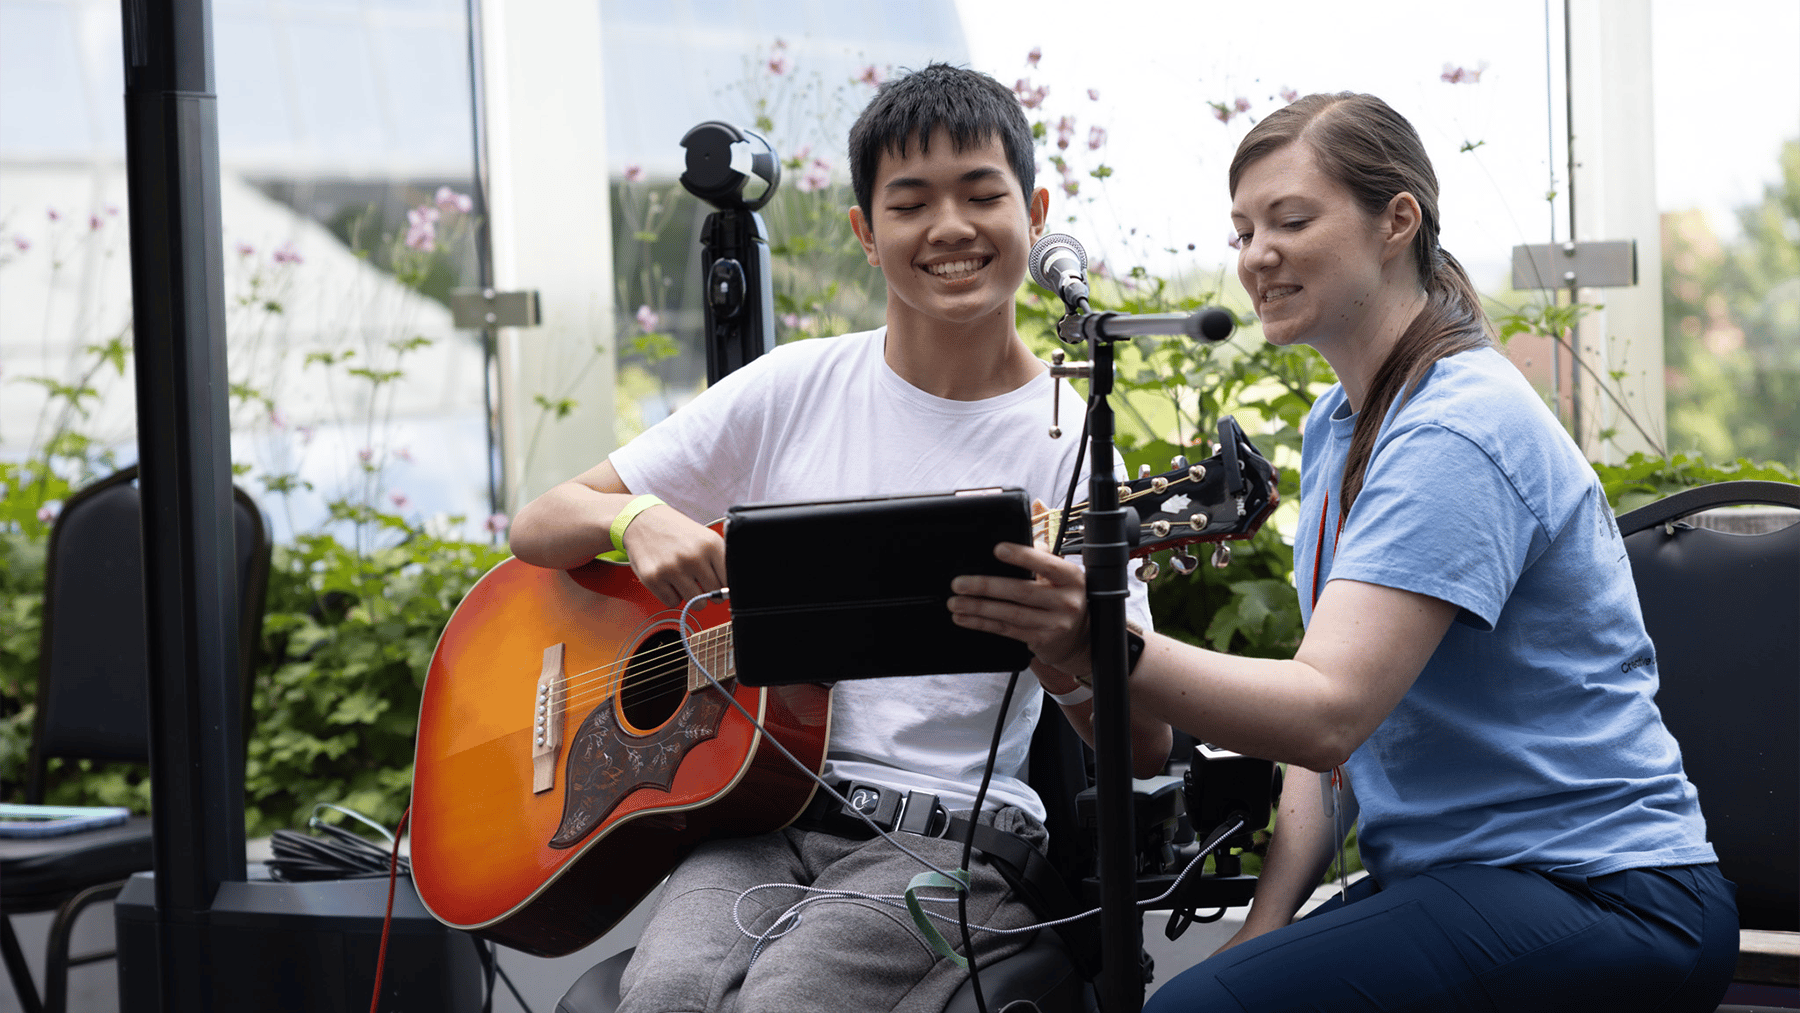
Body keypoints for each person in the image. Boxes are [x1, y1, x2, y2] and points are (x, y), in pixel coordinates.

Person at [947, 92, 1738, 1012]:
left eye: (1291, 219)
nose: (1255, 256)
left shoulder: (1460, 426)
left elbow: (1327, 715)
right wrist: (1266, 920)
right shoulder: (1344, 424)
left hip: (1609, 893)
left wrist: (1100, 641)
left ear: (1397, 220)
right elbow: (1328, 755)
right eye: (1242, 230)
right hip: (1468, 884)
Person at [508, 63, 1168, 1013]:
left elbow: (1143, 745)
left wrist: (1064, 651)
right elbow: (540, 522)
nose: (950, 227)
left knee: (785, 1003)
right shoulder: (791, 389)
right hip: (753, 810)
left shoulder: (1070, 444)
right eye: (911, 202)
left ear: (1035, 210)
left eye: (982, 195)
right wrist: (634, 515)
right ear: (866, 232)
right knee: (661, 994)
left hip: (951, 841)